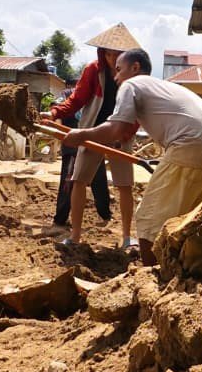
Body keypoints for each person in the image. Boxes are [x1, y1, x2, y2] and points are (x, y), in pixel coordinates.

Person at [62, 48, 202, 266]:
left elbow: (116, 128)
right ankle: (196, 271)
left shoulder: (132, 84)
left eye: (119, 70)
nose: (115, 76)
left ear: (135, 67)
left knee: (148, 220)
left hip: (188, 148)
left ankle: (151, 278)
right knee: (193, 219)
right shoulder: (165, 86)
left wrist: (81, 135)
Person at [45, 23, 140, 249]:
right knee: (78, 180)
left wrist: (125, 133)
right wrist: (54, 112)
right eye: (107, 53)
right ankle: (75, 235)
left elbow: (138, 111)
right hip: (91, 132)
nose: (111, 59)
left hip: (121, 134)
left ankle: (127, 237)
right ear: (102, 53)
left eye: (117, 54)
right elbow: (77, 99)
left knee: (125, 184)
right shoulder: (93, 71)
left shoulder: (135, 76)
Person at [52, 78, 113, 228]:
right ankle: (105, 217)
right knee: (98, 181)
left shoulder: (67, 93)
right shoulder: (90, 95)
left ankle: (60, 220)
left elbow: (54, 108)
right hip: (92, 144)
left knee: (68, 183)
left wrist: (57, 131)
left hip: (75, 144)